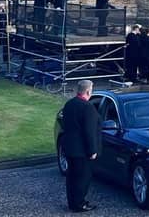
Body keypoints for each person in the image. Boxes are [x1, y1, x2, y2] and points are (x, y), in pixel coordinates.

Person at [62, 80, 101, 213]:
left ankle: (72, 202)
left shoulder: (69, 104)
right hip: (82, 150)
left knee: (72, 176)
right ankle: (80, 203)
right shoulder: (87, 107)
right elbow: (89, 131)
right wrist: (93, 150)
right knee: (82, 178)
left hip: (70, 148)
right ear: (88, 91)